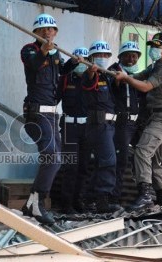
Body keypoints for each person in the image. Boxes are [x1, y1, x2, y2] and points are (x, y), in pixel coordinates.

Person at [20, 13, 83, 223]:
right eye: (43, 30)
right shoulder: (29, 50)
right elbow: (34, 66)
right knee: (52, 158)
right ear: (35, 32)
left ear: (55, 33)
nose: (48, 32)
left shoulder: (56, 54)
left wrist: (73, 63)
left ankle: (32, 203)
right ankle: (37, 204)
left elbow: (61, 72)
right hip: (36, 113)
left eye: (51, 29)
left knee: (56, 160)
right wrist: (44, 52)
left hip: (52, 115)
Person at [115, 33, 162, 211]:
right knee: (154, 161)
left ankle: (145, 195)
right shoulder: (156, 65)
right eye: (152, 46)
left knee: (142, 151)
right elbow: (139, 75)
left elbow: (145, 86)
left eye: (157, 47)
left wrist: (126, 78)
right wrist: (119, 73)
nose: (153, 49)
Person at [82, 40, 121, 213]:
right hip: (98, 125)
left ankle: (89, 197)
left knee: (101, 162)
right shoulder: (89, 74)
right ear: (91, 58)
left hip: (109, 125)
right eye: (99, 55)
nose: (103, 58)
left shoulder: (107, 75)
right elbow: (88, 82)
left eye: (105, 55)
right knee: (108, 161)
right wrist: (91, 72)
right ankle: (102, 200)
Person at [108, 41, 144, 207]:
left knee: (143, 156)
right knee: (121, 160)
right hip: (121, 122)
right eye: (128, 55)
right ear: (120, 56)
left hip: (137, 123)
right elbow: (111, 88)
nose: (131, 59)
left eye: (134, 56)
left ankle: (144, 195)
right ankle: (114, 198)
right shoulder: (113, 70)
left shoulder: (139, 73)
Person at [58, 46, 90, 214]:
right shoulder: (65, 79)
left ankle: (79, 200)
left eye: (84, 61)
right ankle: (66, 203)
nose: (81, 63)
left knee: (84, 166)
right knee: (71, 166)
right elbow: (54, 98)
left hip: (87, 128)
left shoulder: (91, 79)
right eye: (78, 60)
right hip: (69, 126)